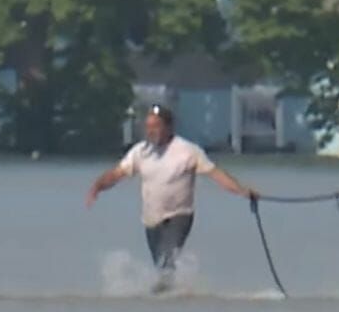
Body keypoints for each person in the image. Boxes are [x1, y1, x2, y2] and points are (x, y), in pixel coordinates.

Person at [86, 104, 257, 293]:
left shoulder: (188, 151)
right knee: (161, 265)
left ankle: (162, 294)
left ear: (169, 127)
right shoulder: (140, 152)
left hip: (179, 215)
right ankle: (170, 299)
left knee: (168, 260)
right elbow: (117, 173)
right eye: (148, 127)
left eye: (156, 126)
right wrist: (98, 186)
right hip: (151, 220)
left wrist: (242, 191)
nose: (151, 131)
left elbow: (216, 174)